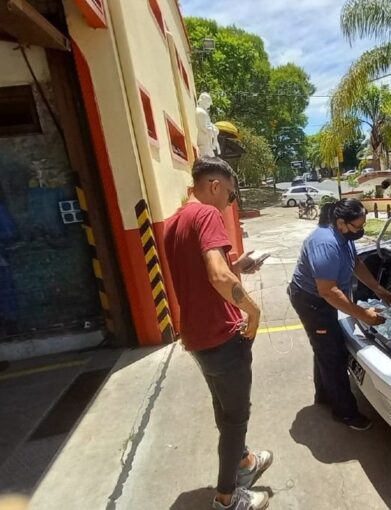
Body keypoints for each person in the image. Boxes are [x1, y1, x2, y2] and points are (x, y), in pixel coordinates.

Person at [164, 156, 272, 510]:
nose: (230, 201)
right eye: (229, 193)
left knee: (224, 407)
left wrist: (237, 267)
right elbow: (216, 275)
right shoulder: (207, 214)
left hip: (197, 338)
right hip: (222, 338)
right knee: (235, 417)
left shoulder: (174, 222)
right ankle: (227, 498)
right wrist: (253, 312)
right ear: (213, 186)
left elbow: (203, 274)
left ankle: (243, 462)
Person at [288, 198, 391, 431]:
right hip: (312, 301)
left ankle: (325, 396)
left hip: (323, 298)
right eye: (357, 226)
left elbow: (355, 262)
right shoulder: (325, 243)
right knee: (334, 353)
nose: (361, 230)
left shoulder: (344, 237)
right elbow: (328, 291)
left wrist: (378, 289)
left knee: (324, 347)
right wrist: (364, 315)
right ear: (340, 222)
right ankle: (345, 413)